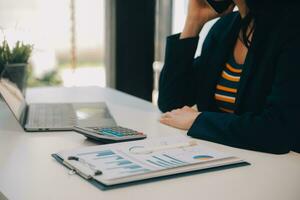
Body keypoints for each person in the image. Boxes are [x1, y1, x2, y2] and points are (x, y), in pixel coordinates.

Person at [158, 0, 300, 154]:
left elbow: (278, 131)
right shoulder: (225, 27)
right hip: (224, 157)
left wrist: (198, 120)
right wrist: (193, 21)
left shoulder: (291, 29)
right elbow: (173, 105)